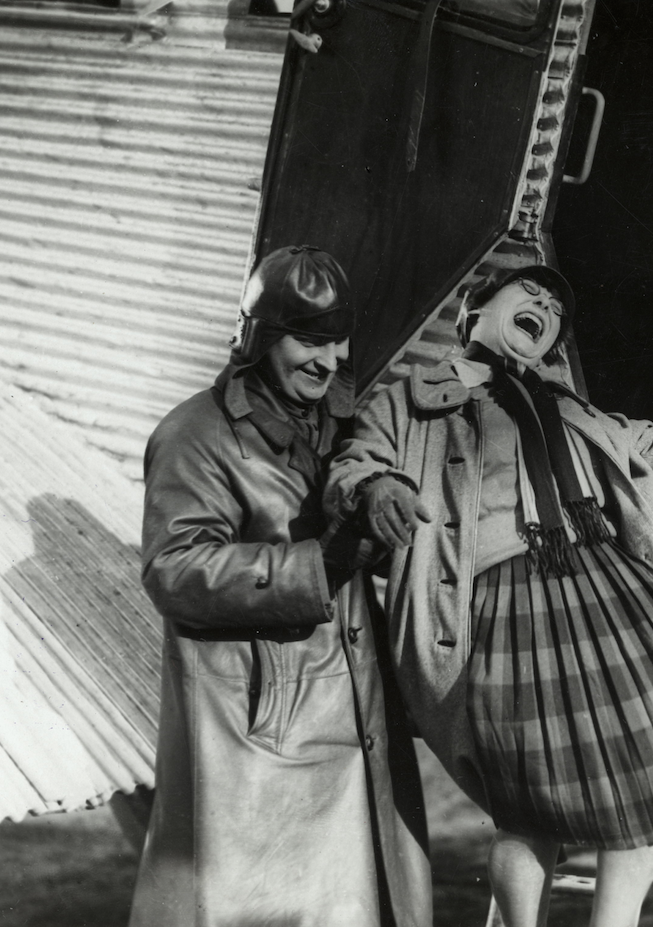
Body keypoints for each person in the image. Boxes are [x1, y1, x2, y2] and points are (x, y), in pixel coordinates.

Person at [324, 265, 653, 927]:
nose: (544, 304)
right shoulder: (411, 400)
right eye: (528, 292)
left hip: (605, 595)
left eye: (555, 307)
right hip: (504, 604)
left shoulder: (575, 411)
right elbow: (356, 459)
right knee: (530, 809)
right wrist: (374, 488)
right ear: (472, 312)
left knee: (649, 784)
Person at [128, 245, 431, 927]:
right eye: (308, 340)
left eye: (337, 339)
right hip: (261, 731)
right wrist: (315, 565)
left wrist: (385, 499)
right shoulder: (195, 436)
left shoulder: (342, 426)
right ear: (260, 339)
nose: (327, 359)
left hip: (353, 712)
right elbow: (174, 568)